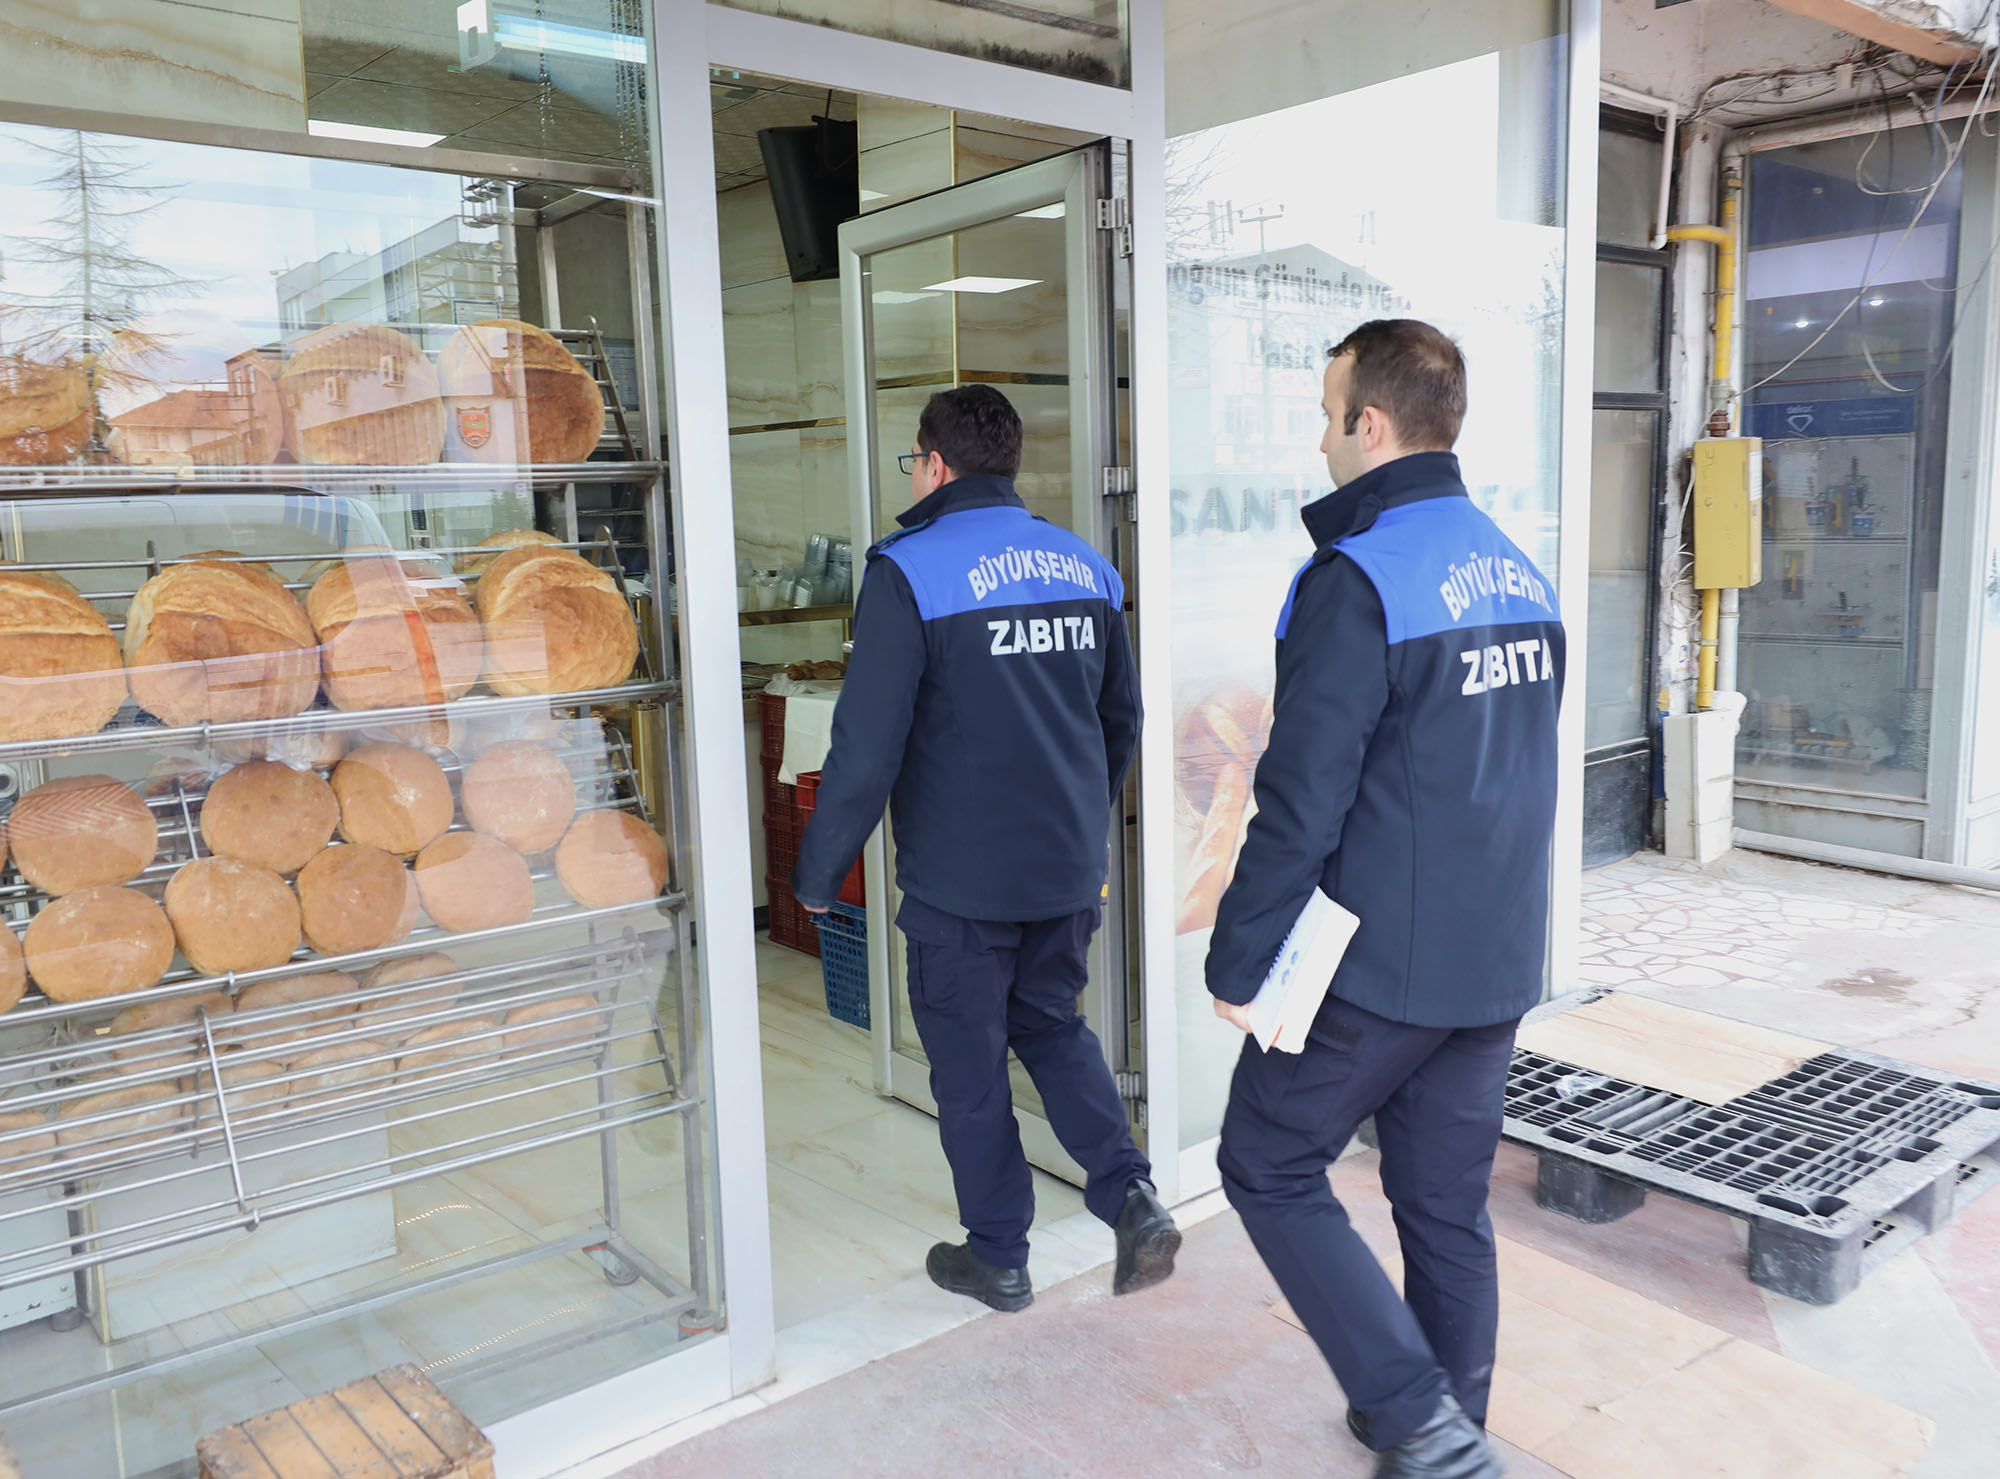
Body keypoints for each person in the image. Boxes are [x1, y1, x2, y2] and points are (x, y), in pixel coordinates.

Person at [1205, 320, 1564, 1479]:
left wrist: (1238, 962)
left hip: (1376, 967)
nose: (1317, 441)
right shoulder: (1515, 566)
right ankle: (1447, 1422)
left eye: (1324, 415)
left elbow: (1299, 800)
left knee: (1264, 1159)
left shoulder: (1358, 579)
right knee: (1441, 1201)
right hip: (1495, 954)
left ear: (1369, 424)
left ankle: (1414, 1416)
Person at [791, 383, 1179, 1313]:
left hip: (959, 884)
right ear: (1006, 461)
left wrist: (818, 873)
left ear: (933, 462)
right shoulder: (1086, 565)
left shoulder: (911, 570)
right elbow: (1117, 723)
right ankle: (1129, 1193)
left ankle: (1000, 1254)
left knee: (968, 1067)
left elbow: (866, 745)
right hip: (1062, 869)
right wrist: (1079, 821)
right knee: (1053, 1025)